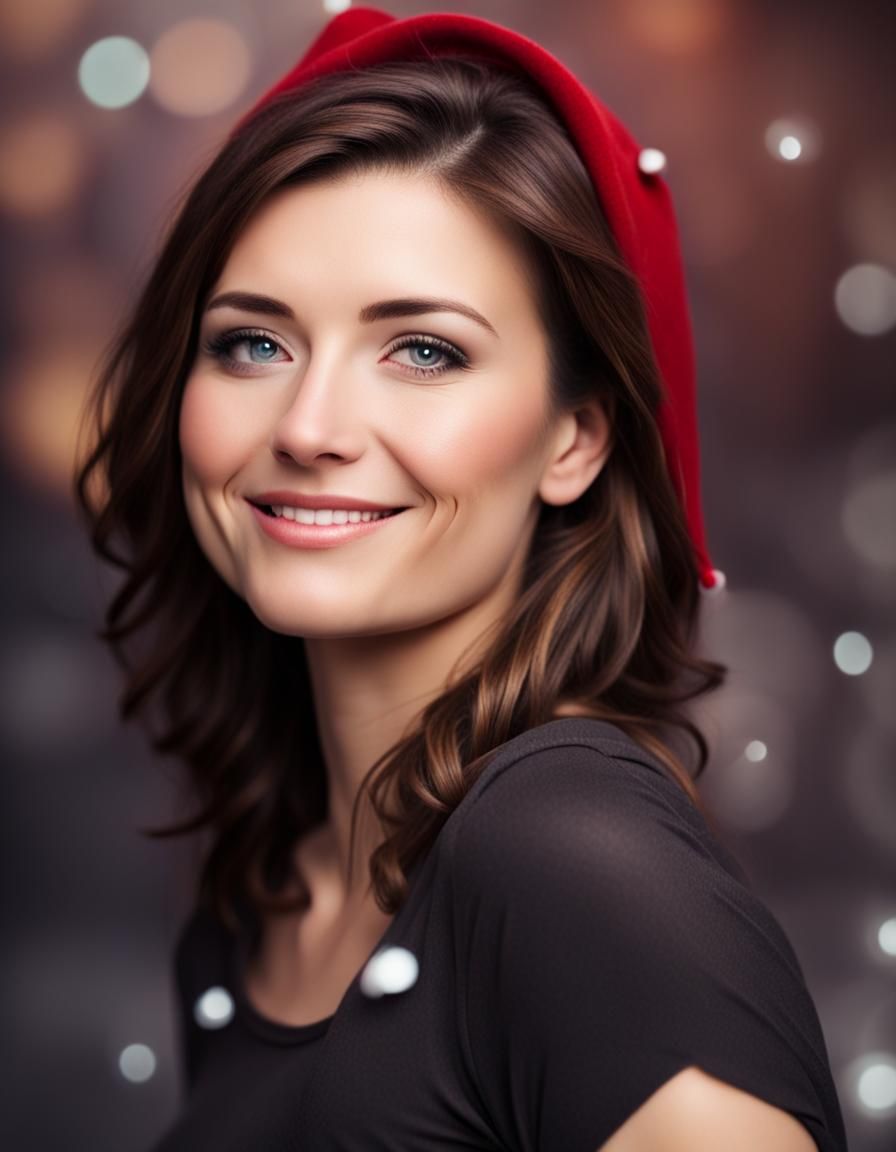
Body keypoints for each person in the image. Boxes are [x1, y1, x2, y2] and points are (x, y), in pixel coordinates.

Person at [74, 7, 849, 1151]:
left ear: (572, 441)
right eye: (253, 343)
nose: (311, 425)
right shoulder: (259, 892)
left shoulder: (571, 863)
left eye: (422, 350)